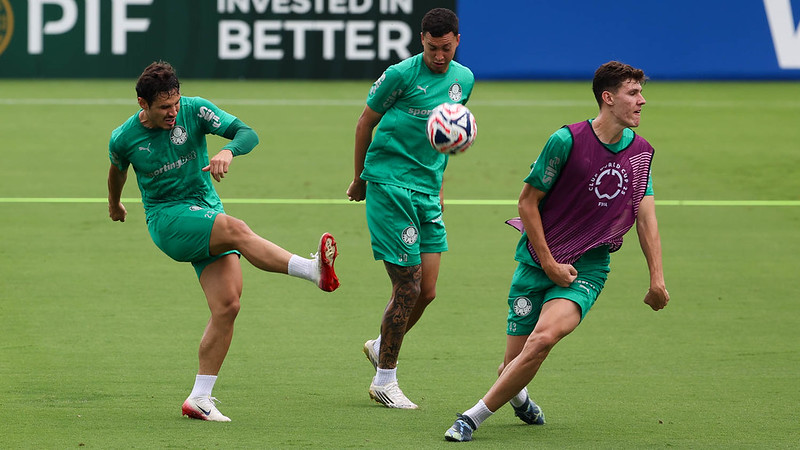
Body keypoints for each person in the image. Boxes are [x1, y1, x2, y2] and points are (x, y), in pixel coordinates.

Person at [444, 61, 670, 442]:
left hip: (588, 268)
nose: (642, 101)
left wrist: (657, 279)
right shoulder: (566, 142)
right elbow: (527, 203)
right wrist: (548, 263)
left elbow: (646, 218)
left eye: (641, 93)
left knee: (543, 339)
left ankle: (472, 417)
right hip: (538, 260)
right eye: (633, 93)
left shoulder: (641, 153)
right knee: (512, 365)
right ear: (608, 98)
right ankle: (520, 399)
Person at [107, 61, 340, 422]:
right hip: (167, 219)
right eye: (163, 108)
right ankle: (313, 270)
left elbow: (247, 132)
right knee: (236, 228)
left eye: (175, 103)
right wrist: (115, 204)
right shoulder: (124, 138)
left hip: (204, 208)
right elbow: (117, 170)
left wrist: (229, 150)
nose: (172, 113)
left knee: (228, 305)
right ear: (143, 104)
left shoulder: (194, 109)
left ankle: (199, 398)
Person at [345, 7, 475, 409]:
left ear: (457, 42)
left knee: (428, 291)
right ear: (422, 40)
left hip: (427, 191)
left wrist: (438, 190)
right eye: (433, 48)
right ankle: (386, 380)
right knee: (408, 285)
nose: (440, 56)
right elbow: (365, 122)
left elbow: (443, 144)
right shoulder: (400, 75)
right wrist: (360, 177)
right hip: (389, 184)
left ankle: (380, 344)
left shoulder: (464, 79)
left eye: (447, 49)